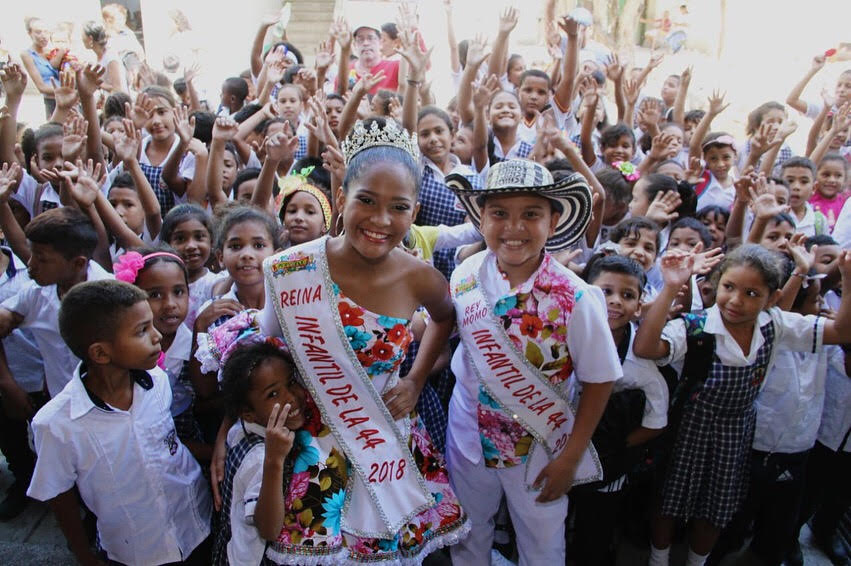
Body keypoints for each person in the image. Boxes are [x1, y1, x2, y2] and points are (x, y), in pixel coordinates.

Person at [255, 117, 468, 563]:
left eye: (399, 207)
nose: (380, 220)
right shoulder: (291, 269)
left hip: (385, 437)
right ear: (339, 198)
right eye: (366, 201)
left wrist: (414, 380)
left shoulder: (421, 278)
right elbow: (264, 350)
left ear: (415, 213)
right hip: (312, 446)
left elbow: (446, 319)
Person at [444, 159, 620, 564]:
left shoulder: (577, 297)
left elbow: (600, 380)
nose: (514, 227)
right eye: (499, 214)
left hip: (541, 446)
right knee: (468, 533)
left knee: (542, 544)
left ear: (553, 221)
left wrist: (571, 458)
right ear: (481, 219)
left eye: (531, 214)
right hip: (467, 433)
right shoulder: (467, 273)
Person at [634, 244, 851, 566]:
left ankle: (697, 561)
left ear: (772, 298)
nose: (736, 301)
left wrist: (847, 278)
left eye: (751, 293)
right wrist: (670, 286)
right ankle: (659, 558)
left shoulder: (774, 325)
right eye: (729, 288)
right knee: (671, 500)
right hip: (690, 427)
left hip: (736, 431)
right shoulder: (696, 327)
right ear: (718, 284)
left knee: (717, 506)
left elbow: (841, 330)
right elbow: (646, 347)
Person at [27, 279, 212, 565]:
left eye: (152, 325)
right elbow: (59, 494)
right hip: (137, 549)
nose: (157, 337)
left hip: (195, 521)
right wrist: (83, 553)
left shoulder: (157, 380)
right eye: (142, 331)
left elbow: (166, 441)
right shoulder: (57, 424)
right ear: (100, 353)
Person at [214, 341, 308, 565]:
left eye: (291, 382)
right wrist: (274, 461)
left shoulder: (243, 427)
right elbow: (268, 529)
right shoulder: (259, 457)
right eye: (273, 393)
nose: (291, 397)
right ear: (247, 413)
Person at [19, 17, 59, 118]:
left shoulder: (54, 50)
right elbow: (41, 87)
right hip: (52, 102)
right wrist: (67, 91)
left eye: (46, 32)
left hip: (71, 99)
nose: (43, 36)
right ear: (30, 33)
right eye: (38, 32)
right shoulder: (27, 55)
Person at [81, 21, 128, 94]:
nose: (82, 39)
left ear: (90, 39)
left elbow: (117, 88)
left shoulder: (110, 57)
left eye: (83, 36)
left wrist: (97, 83)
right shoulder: (95, 56)